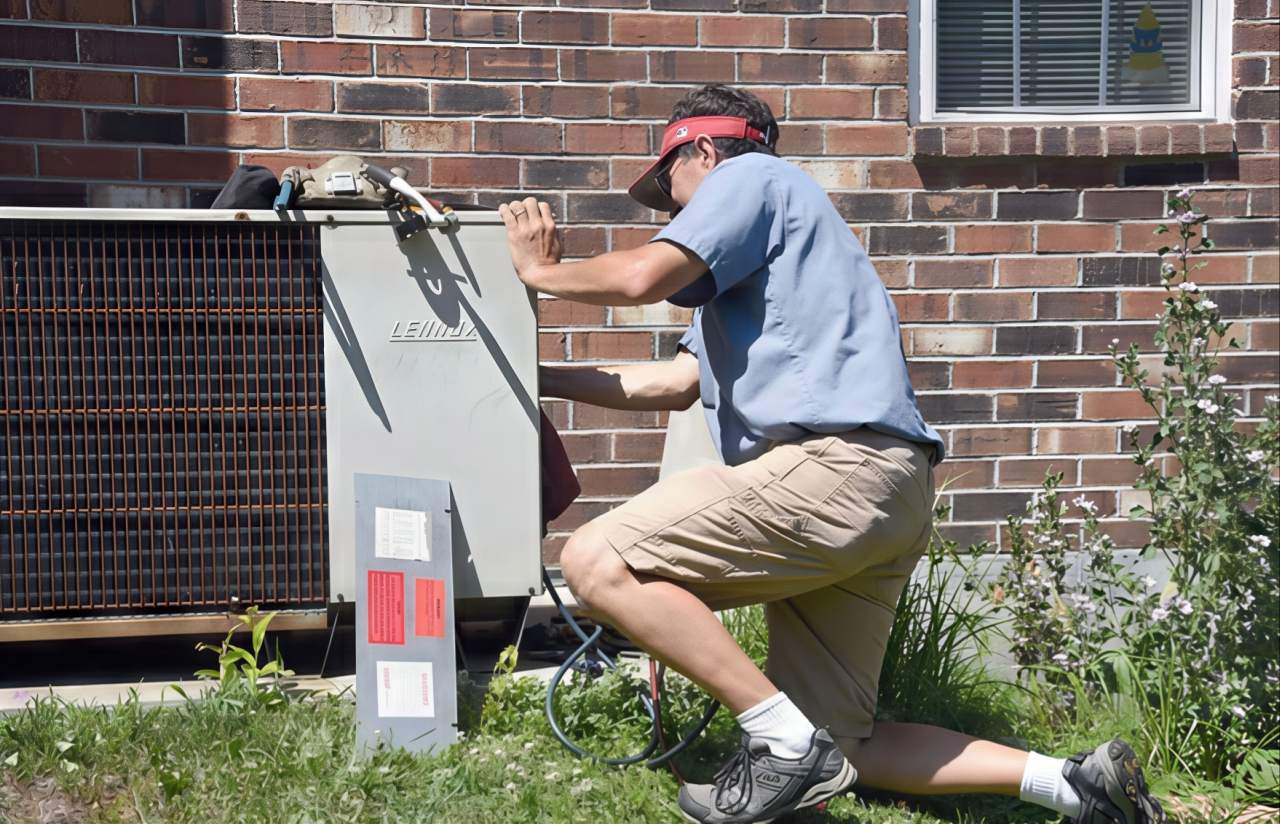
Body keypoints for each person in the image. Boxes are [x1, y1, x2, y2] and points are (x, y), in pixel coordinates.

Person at [498, 84, 1165, 824]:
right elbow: (673, 383)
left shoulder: (752, 179)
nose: (673, 207)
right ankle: (1077, 786)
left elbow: (637, 276)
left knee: (595, 560)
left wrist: (542, 274)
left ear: (704, 150)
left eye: (669, 185)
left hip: (831, 471)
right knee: (844, 745)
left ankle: (780, 740)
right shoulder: (777, 262)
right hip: (888, 490)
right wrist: (534, 376)